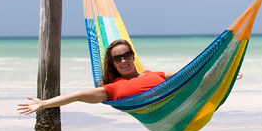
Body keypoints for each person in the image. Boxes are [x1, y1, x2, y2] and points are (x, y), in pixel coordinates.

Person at [17, 40, 167, 115]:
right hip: (164, 113)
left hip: (178, 103)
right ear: (113, 64)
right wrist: (43, 103)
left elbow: (186, 77)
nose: (123, 61)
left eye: (126, 55)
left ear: (133, 56)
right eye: (117, 58)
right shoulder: (114, 88)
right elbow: (78, 96)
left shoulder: (152, 73)